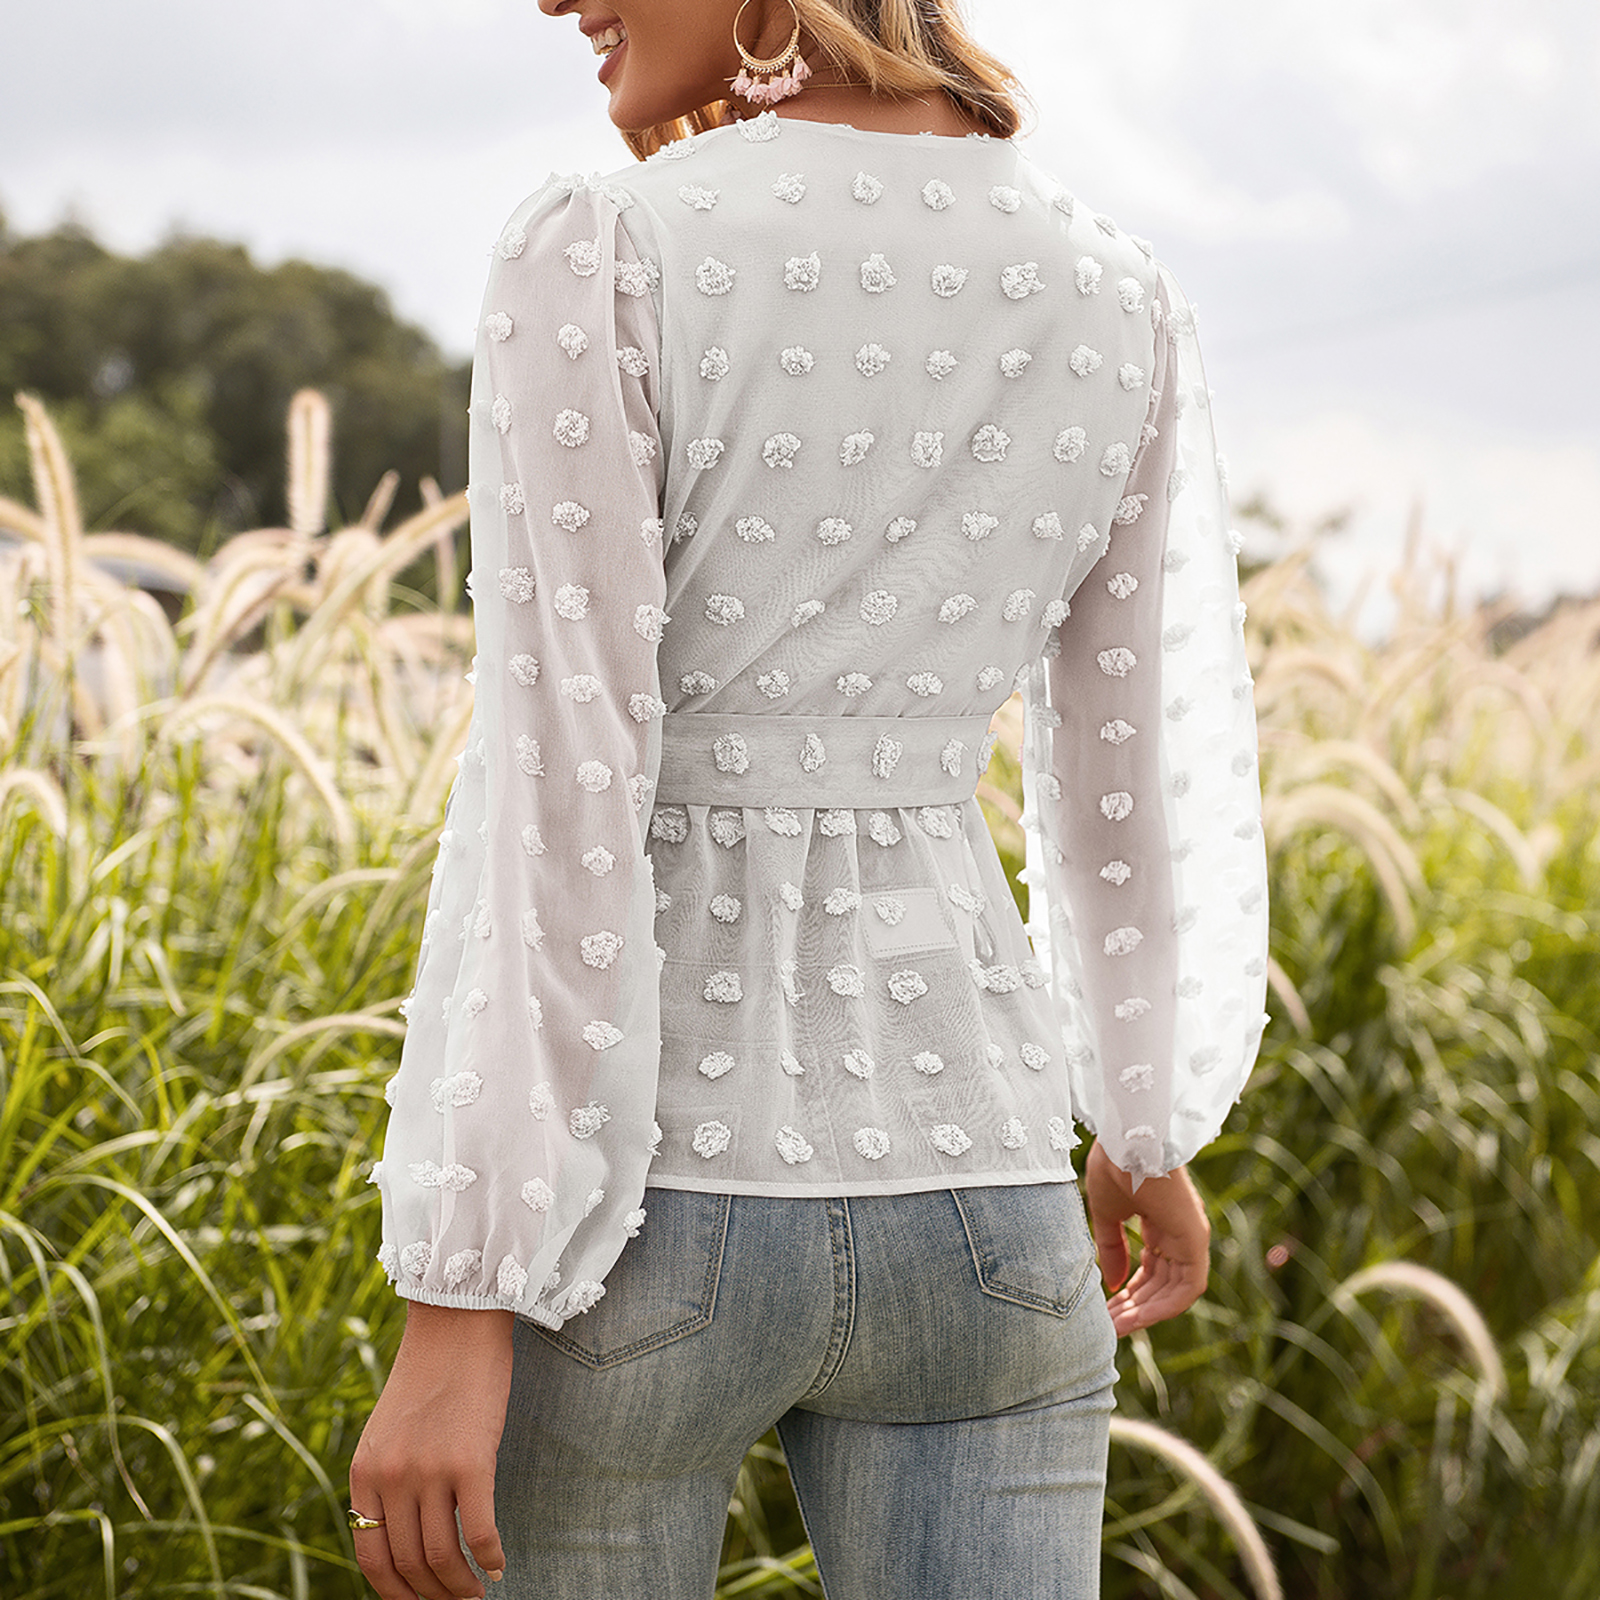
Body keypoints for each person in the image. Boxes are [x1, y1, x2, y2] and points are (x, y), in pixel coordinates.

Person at [349, 2, 1269, 1596]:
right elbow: (1134, 769)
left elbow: (556, 794)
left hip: (636, 1219)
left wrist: (458, 1290)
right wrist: (1139, 1117)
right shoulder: (1119, 290)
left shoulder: (605, 248)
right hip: (991, 1198)